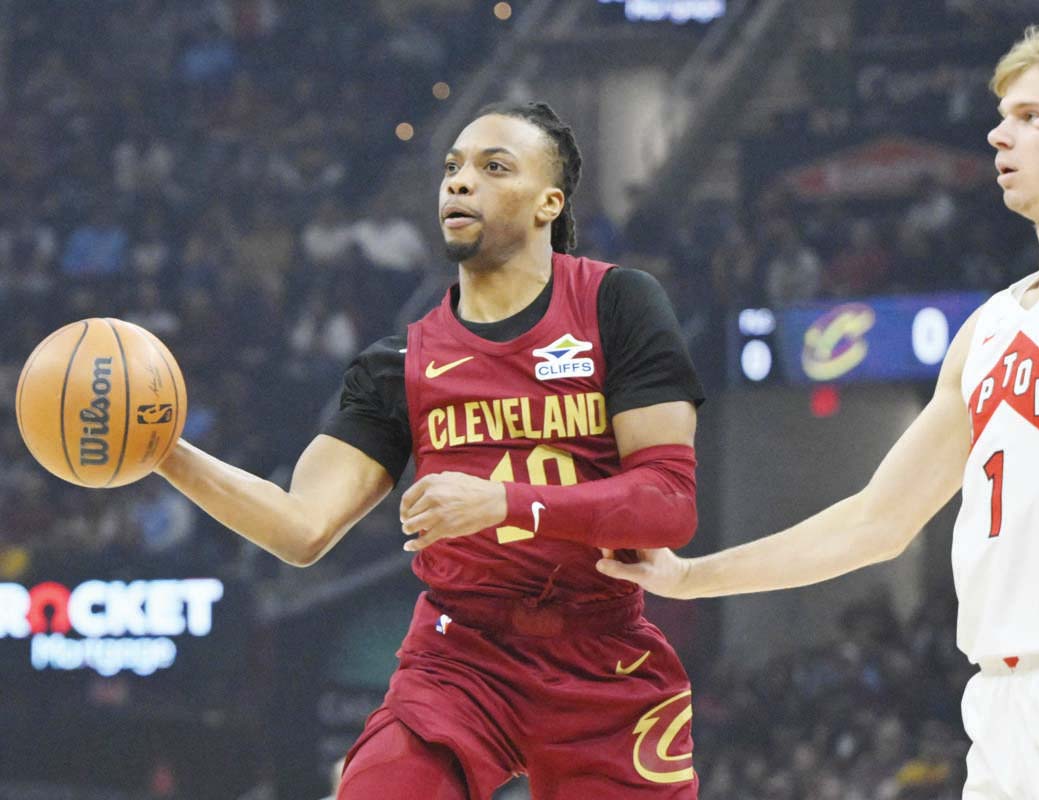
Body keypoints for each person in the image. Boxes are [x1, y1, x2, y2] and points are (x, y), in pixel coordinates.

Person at [598, 7, 1039, 798]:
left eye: (1027, 116)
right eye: (999, 117)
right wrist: (689, 579)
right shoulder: (988, 327)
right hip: (1003, 713)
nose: (997, 136)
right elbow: (874, 522)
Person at [155, 101, 704, 800]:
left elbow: (668, 504)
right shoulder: (400, 363)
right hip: (461, 654)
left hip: (602, 653)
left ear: (549, 203)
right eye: (452, 168)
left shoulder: (618, 304)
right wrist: (166, 452)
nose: (460, 181)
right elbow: (301, 529)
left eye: (492, 166)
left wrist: (504, 502)